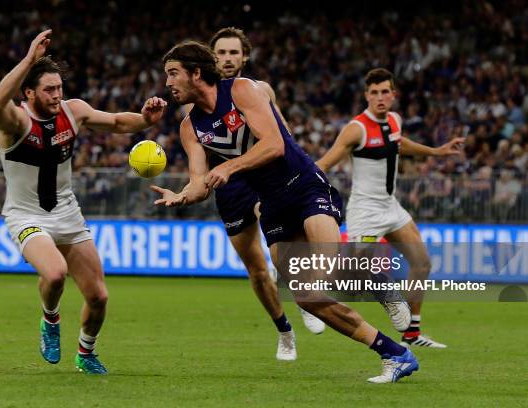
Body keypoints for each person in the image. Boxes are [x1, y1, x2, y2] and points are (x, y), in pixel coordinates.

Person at [153, 41, 419, 383]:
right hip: (274, 204)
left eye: (173, 73)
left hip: (304, 185)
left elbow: (274, 144)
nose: (168, 83)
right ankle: (394, 354)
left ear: (196, 72)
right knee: (307, 297)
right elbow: (199, 181)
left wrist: (231, 167)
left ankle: (378, 283)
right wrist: (182, 196)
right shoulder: (190, 128)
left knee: (326, 269)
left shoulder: (242, 90)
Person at [0, 30, 166, 374]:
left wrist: (145, 119)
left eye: (59, 88)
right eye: (48, 89)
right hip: (26, 217)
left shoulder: (74, 112)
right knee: (54, 274)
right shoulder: (15, 123)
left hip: (68, 215)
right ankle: (50, 320)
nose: (57, 95)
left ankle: (86, 353)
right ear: (29, 93)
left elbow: (116, 122)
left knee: (99, 297)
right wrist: (28, 59)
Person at [316, 68, 464, 348]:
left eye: (385, 92)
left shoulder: (395, 120)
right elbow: (324, 164)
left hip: (391, 208)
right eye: (374, 93)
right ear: (366, 96)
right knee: (354, 275)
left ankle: (411, 334)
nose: (380, 97)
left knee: (422, 263)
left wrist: (436, 151)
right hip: (365, 211)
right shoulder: (356, 128)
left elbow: (398, 143)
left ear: (394, 95)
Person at [204, 27, 326, 361]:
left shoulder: (259, 90)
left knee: (275, 231)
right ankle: (284, 332)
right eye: (221, 53)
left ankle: (306, 296)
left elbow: (283, 134)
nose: (227, 59)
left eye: (233, 53)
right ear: (211, 58)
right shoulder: (200, 105)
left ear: (244, 56)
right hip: (229, 186)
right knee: (257, 271)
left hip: (263, 175)